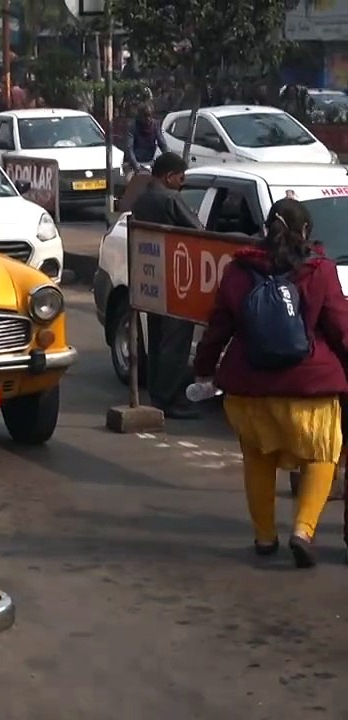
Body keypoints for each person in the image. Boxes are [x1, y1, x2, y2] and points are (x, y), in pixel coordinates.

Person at [192, 198, 348, 568]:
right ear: (305, 231)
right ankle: (303, 531)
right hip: (309, 387)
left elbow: (218, 328)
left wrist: (204, 369)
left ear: (266, 228)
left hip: (250, 387)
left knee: (258, 458)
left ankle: (265, 537)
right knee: (322, 456)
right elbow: (340, 328)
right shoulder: (319, 270)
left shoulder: (239, 270)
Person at [131, 152, 202, 419]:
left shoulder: (142, 199)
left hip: (152, 277)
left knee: (158, 338)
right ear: (169, 176)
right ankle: (169, 399)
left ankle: (158, 394)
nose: (182, 184)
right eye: (181, 178)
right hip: (176, 278)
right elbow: (198, 230)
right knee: (176, 341)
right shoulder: (170, 198)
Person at [124, 105, 168, 172]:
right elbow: (129, 148)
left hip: (149, 162)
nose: (148, 119)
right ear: (140, 116)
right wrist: (136, 165)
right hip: (133, 163)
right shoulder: (133, 126)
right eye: (145, 116)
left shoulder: (155, 125)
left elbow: (162, 143)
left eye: (149, 115)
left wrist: (168, 157)